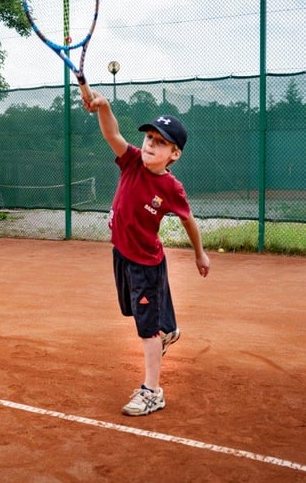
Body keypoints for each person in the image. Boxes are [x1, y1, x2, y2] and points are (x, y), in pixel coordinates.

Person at [83, 90, 211, 416]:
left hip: (146, 265)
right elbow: (112, 133)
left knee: (146, 329)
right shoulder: (131, 162)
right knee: (134, 313)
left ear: (175, 154)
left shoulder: (171, 188)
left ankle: (153, 391)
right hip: (122, 256)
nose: (150, 144)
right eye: (149, 137)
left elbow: (188, 220)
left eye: (160, 142)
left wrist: (200, 254)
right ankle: (166, 329)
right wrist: (105, 106)